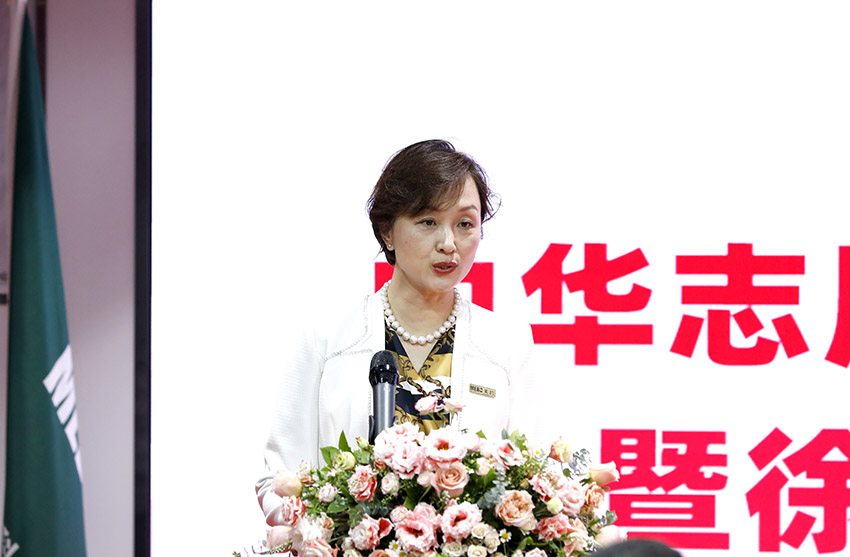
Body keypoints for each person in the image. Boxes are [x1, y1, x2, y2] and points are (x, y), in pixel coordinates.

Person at [256, 139, 538, 525]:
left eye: (465, 224)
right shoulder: (328, 337)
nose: (448, 244)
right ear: (387, 231)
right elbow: (278, 480)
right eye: (428, 222)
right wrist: (332, 534)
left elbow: (534, 478)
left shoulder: (507, 344)